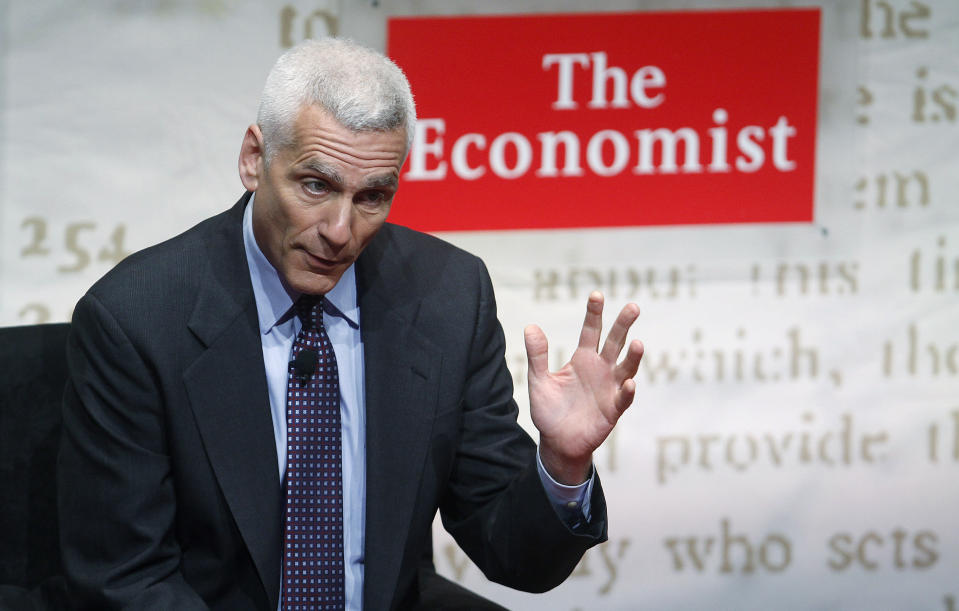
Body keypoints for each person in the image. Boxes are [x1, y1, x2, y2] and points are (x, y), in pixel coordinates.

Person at [58, 38, 643, 611]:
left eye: (372, 197)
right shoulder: (136, 318)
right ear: (253, 160)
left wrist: (562, 466)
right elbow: (126, 579)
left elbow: (514, 554)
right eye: (316, 185)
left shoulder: (446, 297)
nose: (340, 231)